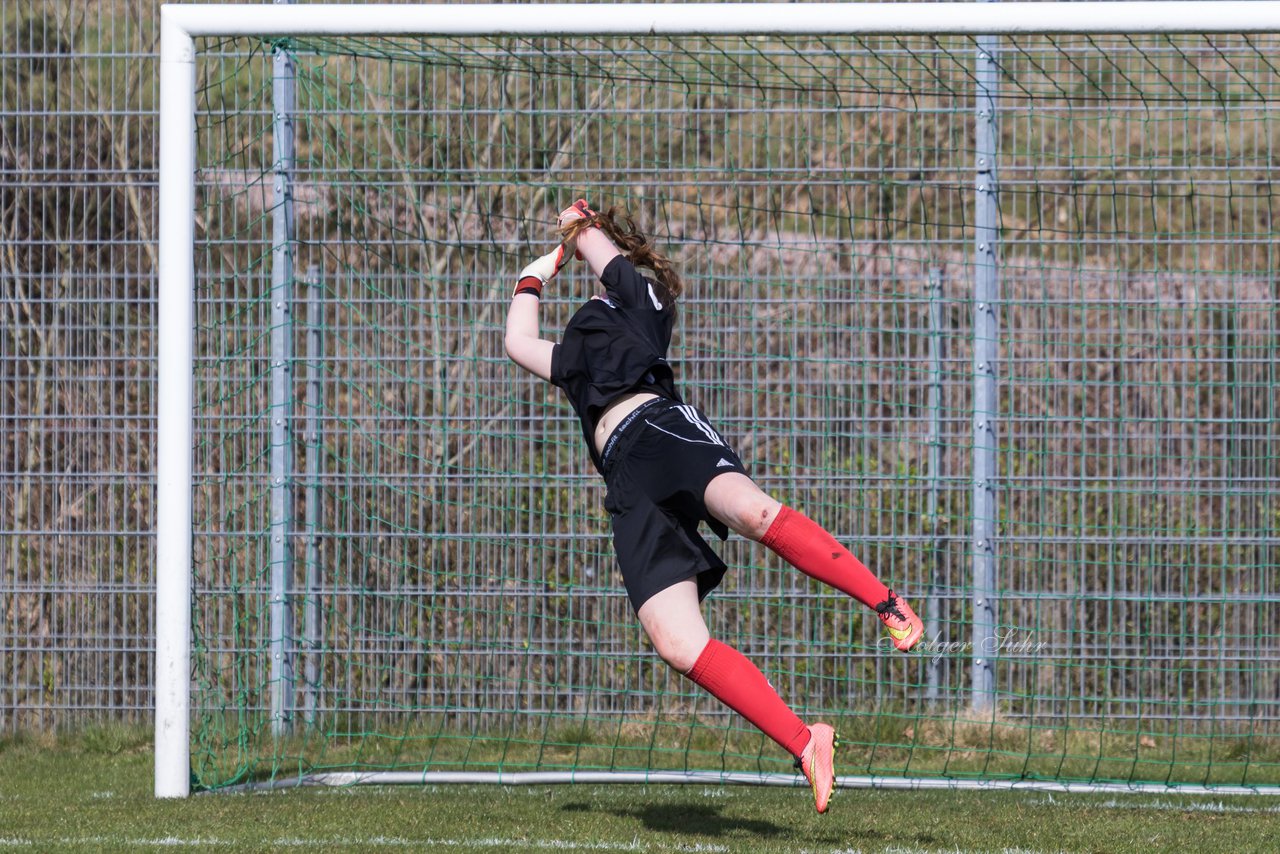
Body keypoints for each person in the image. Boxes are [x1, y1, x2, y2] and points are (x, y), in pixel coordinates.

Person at [503, 200, 924, 814]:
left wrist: (579, 228)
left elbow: (602, 253)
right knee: (677, 644)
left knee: (752, 513)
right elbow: (517, 340)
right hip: (625, 477)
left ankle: (886, 601)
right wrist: (535, 274)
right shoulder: (578, 355)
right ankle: (807, 742)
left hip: (662, 431)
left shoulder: (640, 303)